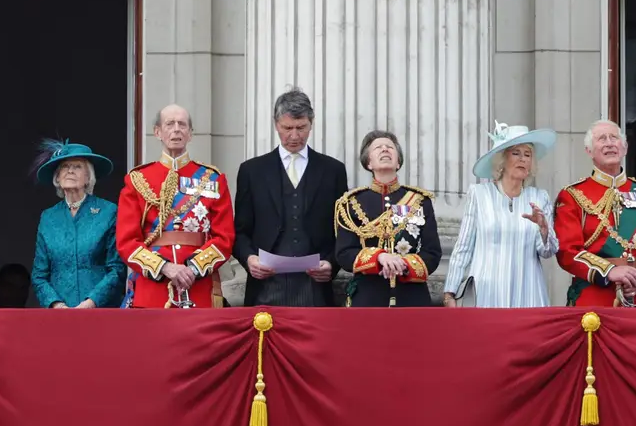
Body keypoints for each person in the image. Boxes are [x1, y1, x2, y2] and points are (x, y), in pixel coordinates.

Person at [233, 88, 349, 307]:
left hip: (315, 286)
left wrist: (332, 264)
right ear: (276, 124)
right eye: (287, 128)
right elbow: (240, 231)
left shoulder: (333, 170)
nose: (294, 136)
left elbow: (343, 229)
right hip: (265, 285)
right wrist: (249, 259)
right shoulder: (252, 171)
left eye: (301, 128)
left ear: (311, 123)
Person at [117, 105, 236, 308]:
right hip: (153, 289)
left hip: (198, 286)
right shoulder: (138, 179)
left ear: (190, 134)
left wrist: (193, 268)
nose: (176, 129)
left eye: (182, 124)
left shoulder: (213, 179)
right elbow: (126, 241)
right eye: (169, 124)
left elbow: (224, 238)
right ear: (158, 132)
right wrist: (164, 267)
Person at [555, 120, 636, 307]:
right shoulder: (572, 195)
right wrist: (609, 271)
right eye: (602, 139)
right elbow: (567, 251)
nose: (610, 143)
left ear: (624, 147)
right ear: (589, 151)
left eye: (614, 138)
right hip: (594, 297)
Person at [444, 122, 559, 308]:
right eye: (516, 153)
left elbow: (547, 251)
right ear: (502, 160)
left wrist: (544, 228)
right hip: (486, 294)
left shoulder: (539, 197)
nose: (523, 159)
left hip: (528, 294)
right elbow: (463, 247)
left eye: (527, 154)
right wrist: (450, 292)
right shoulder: (479, 194)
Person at [332, 130, 440, 307]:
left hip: (412, 298)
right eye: (378, 148)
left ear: (398, 162)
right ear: (368, 162)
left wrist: (402, 264)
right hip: (368, 298)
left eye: (390, 147)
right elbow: (344, 253)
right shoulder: (351, 203)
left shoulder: (420, 201)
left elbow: (433, 253)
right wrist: (379, 258)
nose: (385, 150)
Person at [29, 140, 124, 309]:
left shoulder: (109, 212)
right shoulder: (48, 217)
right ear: (57, 177)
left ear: (88, 177)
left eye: (78, 166)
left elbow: (116, 269)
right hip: (59, 315)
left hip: (101, 311)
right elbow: (39, 274)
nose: (70, 170)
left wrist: (91, 302)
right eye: (65, 167)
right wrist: (56, 304)